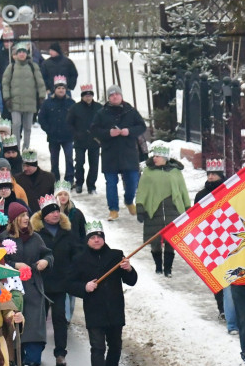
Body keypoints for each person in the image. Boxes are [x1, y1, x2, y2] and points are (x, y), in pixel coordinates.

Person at [66, 220, 138, 366]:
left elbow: (131, 280)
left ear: (104, 239)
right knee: (97, 348)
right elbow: (69, 284)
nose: (96, 240)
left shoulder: (116, 256)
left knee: (115, 347)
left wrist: (129, 269)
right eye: (93, 237)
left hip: (114, 310)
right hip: (95, 311)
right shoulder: (80, 259)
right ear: (87, 240)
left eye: (99, 237)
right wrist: (84, 287)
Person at [1, 202, 52, 366]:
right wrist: (14, 265)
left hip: (34, 288)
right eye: (22, 215)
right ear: (14, 219)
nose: (25, 218)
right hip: (12, 290)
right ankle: (20, 364)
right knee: (17, 327)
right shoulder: (3, 238)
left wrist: (46, 261)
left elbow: (48, 254)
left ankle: (32, 363)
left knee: (35, 328)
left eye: (26, 215)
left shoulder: (35, 238)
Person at [34, 195, 78, 366]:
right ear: (44, 215)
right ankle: (37, 352)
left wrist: (73, 273)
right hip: (41, 284)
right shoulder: (36, 234)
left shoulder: (67, 232)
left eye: (57, 211)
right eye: (51, 212)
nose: (55, 214)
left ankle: (60, 353)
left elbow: (76, 254)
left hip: (60, 283)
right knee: (39, 320)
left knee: (60, 319)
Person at [91, 85, 146, 221]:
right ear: (109, 98)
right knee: (111, 183)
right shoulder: (102, 113)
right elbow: (94, 130)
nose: (115, 96)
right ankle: (113, 209)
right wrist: (108, 133)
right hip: (110, 153)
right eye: (112, 95)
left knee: (133, 181)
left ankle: (128, 201)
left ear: (121, 96)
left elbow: (142, 126)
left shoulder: (131, 111)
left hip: (128, 152)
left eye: (117, 94)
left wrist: (129, 131)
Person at [135, 145, 191, 277]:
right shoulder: (148, 172)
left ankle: (168, 269)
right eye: (154, 156)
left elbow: (183, 190)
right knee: (155, 241)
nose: (154, 158)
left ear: (165, 158)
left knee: (171, 241)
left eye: (157, 156)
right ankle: (158, 267)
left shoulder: (176, 172)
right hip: (154, 210)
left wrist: (188, 207)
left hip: (173, 209)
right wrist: (140, 207)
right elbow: (142, 190)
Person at [196, 159, 237, 332]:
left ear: (221, 175)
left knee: (228, 275)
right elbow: (195, 217)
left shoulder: (229, 192)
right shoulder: (201, 195)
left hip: (228, 240)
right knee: (215, 276)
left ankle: (231, 311)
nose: (211, 176)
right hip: (209, 240)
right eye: (209, 174)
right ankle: (221, 308)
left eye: (214, 174)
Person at [1, 42, 46, 151]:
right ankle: (15, 148)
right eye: (19, 52)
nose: (21, 54)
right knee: (16, 125)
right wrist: (7, 98)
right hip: (15, 102)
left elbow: (40, 82)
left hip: (30, 102)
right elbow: (5, 83)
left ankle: (26, 148)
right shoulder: (11, 67)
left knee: (27, 127)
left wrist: (41, 96)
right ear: (16, 54)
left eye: (23, 52)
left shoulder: (33, 66)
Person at [38, 77, 75, 183]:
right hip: (53, 136)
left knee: (69, 158)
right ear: (55, 89)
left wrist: (72, 130)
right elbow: (41, 118)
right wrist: (48, 129)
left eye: (63, 88)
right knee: (54, 160)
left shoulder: (71, 103)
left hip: (68, 137)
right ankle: (55, 179)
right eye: (58, 88)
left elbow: (76, 119)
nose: (61, 90)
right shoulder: (47, 103)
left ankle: (70, 178)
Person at [67, 84, 102, 194]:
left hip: (94, 141)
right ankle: (79, 183)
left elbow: (104, 122)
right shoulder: (75, 108)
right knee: (79, 162)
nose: (88, 97)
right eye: (86, 95)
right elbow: (69, 123)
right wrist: (75, 134)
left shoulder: (99, 107)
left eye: (90, 95)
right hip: (79, 141)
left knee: (94, 165)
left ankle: (91, 185)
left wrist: (100, 135)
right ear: (82, 96)